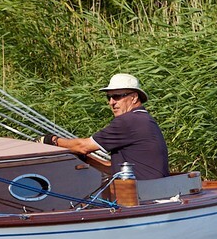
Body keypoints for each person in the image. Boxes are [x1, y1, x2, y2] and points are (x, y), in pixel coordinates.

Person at [39, 73, 169, 180]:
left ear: (134, 97)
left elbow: (82, 147)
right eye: (109, 97)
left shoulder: (129, 121)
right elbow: (112, 169)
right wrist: (85, 159)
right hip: (153, 191)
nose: (111, 102)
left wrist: (52, 141)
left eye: (117, 96)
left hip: (142, 194)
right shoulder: (144, 119)